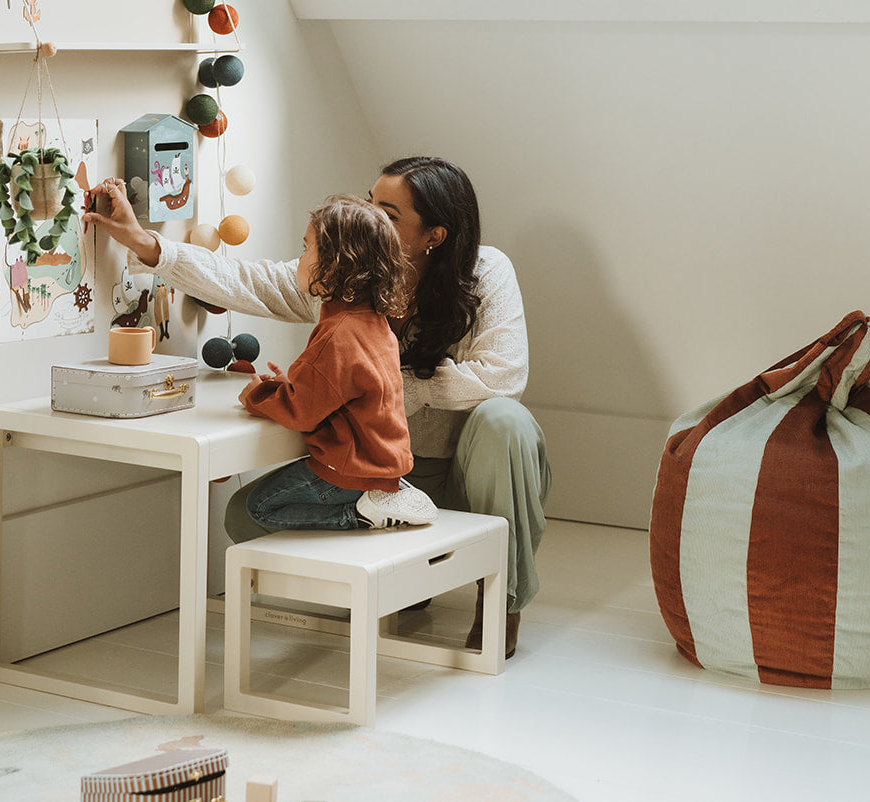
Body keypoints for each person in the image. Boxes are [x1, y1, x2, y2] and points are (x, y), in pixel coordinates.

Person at [86, 157, 549, 658]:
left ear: (433, 236)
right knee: (247, 519)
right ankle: (404, 572)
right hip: (387, 473)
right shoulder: (349, 272)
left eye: (388, 214)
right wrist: (142, 243)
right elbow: (246, 279)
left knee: (505, 418)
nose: (368, 215)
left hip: (469, 470)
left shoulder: (485, 272)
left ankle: (501, 600)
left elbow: (502, 377)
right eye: (369, 202)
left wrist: (392, 385)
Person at [231, 195, 436, 532]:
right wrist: (292, 385)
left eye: (305, 249)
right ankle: (386, 498)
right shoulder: (373, 322)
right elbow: (335, 390)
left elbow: (301, 411)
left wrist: (258, 394)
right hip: (382, 463)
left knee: (259, 507)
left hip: (349, 471)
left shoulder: (337, 334)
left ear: (333, 265)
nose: (299, 259)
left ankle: (359, 515)